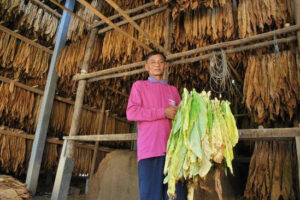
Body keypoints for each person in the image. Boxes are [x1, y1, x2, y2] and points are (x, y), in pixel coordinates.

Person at [126, 51, 187, 200]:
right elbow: (132, 113)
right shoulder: (139, 86)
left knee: (176, 196)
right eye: (153, 62)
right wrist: (163, 112)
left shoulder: (173, 91)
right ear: (146, 66)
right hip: (150, 151)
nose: (157, 65)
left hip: (174, 153)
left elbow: (182, 118)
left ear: (165, 66)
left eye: (160, 62)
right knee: (151, 196)